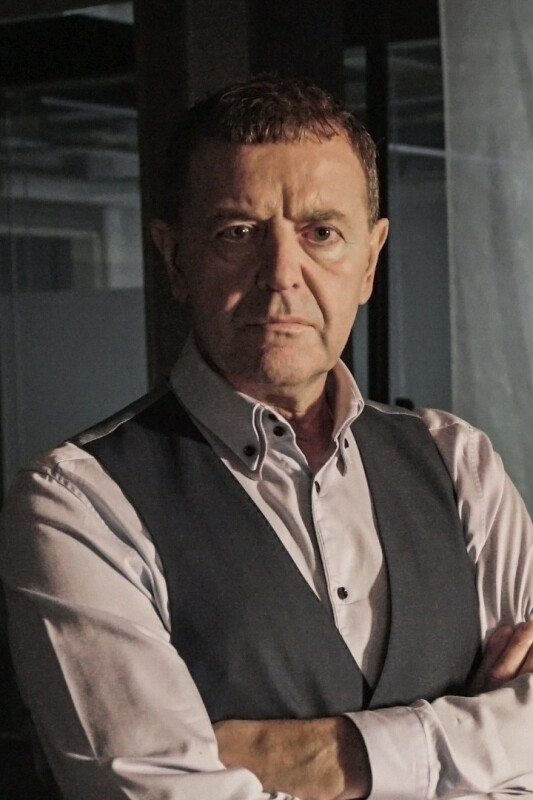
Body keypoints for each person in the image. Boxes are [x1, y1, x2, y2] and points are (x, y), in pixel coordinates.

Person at [1, 76, 533, 800]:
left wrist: (325, 757)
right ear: (174, 258)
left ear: (369, 260)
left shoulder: (458, 463)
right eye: (237, 233)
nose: (282, 274)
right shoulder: (77, 503)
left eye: (321, 233)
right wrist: (478, 743)